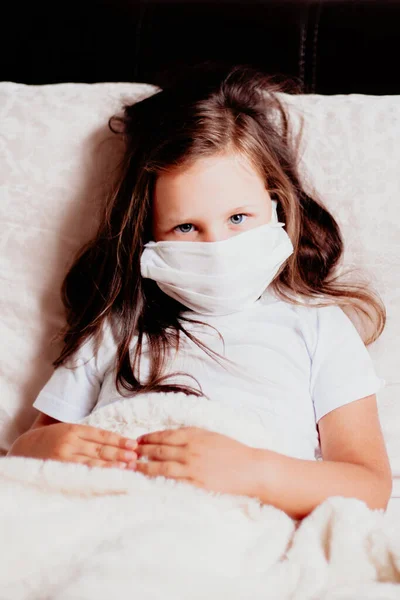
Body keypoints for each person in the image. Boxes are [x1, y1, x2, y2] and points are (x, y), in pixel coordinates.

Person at [7, 63, 392, 519]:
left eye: (237, 218)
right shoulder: (121, 324)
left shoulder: (316, 325)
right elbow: (25, 450)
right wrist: (48, 448)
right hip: (113, 505)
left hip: (236, 514)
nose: (217, 249)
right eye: (186, 226)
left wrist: (252, 471)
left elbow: (368, 484)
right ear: (148, 232)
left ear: (276, 204)